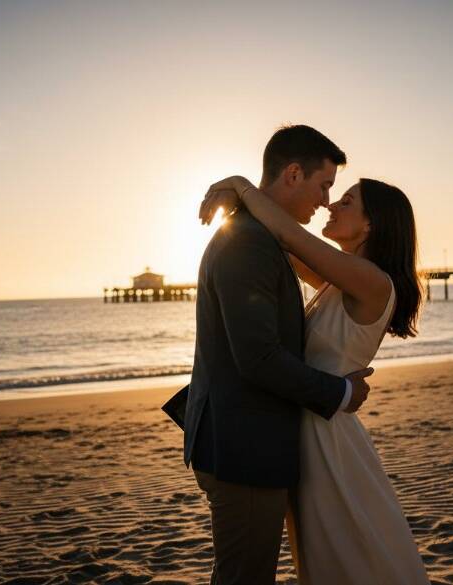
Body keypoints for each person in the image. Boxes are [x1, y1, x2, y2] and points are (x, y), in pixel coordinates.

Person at [199, 170, 430, 583]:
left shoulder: (373, 281)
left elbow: (289, 236)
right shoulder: (335, 281)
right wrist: (240, 204)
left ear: (370, 224)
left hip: (327, 438)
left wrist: (239, 184)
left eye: (346, 201)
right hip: (309, 425)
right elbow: (275, 241)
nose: (330, 205)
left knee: (342, 555)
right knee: (323, 556)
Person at [182, 125, 377, 585]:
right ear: (293, 174)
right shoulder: (247, 243)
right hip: (243, 446)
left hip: (249, 440)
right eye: (324, 184)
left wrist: (245, 192)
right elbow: (259, 358)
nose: (327, 199)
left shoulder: (263, 239)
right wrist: (341, 391)